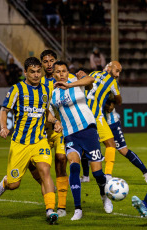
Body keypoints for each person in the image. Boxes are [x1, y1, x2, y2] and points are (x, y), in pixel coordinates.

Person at [0, 57, 61, 224]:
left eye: (39, 71)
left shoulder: (46, 91)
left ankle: (50, 211)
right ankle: (6, 181)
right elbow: (4, 110)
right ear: (25, 73)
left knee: (45, 171)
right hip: (20, 143)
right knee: (14, 185)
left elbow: (46, 112)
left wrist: (55, 121)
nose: (36, 75)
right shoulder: (17, 89)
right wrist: (3, 127)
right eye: (32, 72)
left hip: (39, 141)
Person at [49, 61, 113, 219]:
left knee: (97, 173)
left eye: (64, 71)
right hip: (70, 134)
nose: (61, 74)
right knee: (74, 166)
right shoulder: (52, 93)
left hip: (88, 130)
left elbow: (90, 80)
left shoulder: (75, 82)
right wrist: (55, 122)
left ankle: (104, 197)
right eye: (58, 72)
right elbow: (48, 113)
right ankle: (78, 209)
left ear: (67, 72)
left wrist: (69, 85)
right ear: (53, 74)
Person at [27, 50, 71, 218]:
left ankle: (61, 206)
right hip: (41, 132)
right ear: (41, 64)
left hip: (59, 131)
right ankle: (47, 186)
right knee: (33, 165)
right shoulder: (37, 81)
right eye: (45, 61)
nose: (49, 64)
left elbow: (85, 84)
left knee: (61, 161)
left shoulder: (65, 78)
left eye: (52, 61)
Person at [80, 93, 147, 183]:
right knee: (85, 148)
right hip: (95, 123)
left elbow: (111, 104)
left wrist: (108, 104)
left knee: (123, 150)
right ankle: (86, 176)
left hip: (111, 123)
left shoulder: (106, 85)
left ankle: (146, 172)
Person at [86, 61, 122, 178]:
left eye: (119, 72)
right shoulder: (112, 82)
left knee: (79, 147)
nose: (117, 75)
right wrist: (111, 99)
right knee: (111, 144)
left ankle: (84, 176)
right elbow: (119, 101)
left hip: (83, 113)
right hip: (96, 115)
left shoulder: (93, 73)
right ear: (109, 68)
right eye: (117, 71)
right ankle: (108, 175)